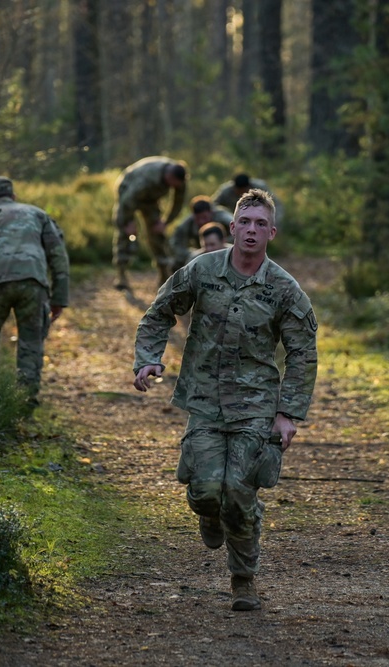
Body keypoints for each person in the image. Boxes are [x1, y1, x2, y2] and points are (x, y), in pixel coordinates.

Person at [132, 189, 318, 611]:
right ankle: (207, 510)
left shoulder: (285, 290)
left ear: (271, 232)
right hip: (204, 398)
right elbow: (160, 311)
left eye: (260, 224)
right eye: (244, 223)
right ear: (232, 228)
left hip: (256, 404)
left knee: (239, 491)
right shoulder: (202, 271)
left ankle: (243, 580)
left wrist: (288, 413)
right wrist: (148, 359)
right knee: (205, 492)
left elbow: (302, 352)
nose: (251, 231)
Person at [0, 176, 70, 402]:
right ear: (13, 196)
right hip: (33, 282)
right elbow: (58, 256)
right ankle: (26, 397)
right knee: (31, 340)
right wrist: (59, 298)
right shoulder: (37, 214)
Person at [112, 156, 188, 289]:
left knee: (157, 233)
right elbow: (127, 201)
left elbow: (178, 203)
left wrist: (165, 222)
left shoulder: (180, 179)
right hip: (127, 192)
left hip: (150, 200)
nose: (172, 187)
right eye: (171, 184)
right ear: (168, 176)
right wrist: (128, 222)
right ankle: (121, 274)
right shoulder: (146, 179)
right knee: (124, 232)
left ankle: (164, 272)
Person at [170, 196, 233, 272]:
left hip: (224, 247)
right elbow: (176, 242)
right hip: (201, 251)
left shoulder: (224, 218)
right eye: (198, 218)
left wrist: (223, 245)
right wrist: (189, 253)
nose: (201, 222)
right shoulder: (187, 224)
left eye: (204, 217)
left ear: (211, 213)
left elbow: (240, 232)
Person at [211, 173, 283, 226]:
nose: (241, 193)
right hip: (232, 218)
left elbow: (276, 204)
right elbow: (212, 205)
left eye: (243, 191)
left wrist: (273, 221)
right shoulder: (225, 191)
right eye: (239, 191)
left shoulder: (260, 187)